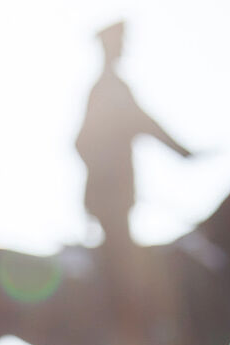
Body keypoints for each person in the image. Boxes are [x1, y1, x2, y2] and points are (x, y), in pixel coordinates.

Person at [76, 20, 193, 250]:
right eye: (119, 43)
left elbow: (146, 125)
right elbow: (81, 142)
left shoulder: (114, 88)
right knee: (124, 263)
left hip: (118, 195)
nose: (123, 48)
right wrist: (108, 173)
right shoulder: (109, 90)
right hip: (108, 197)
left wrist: (184, 152)